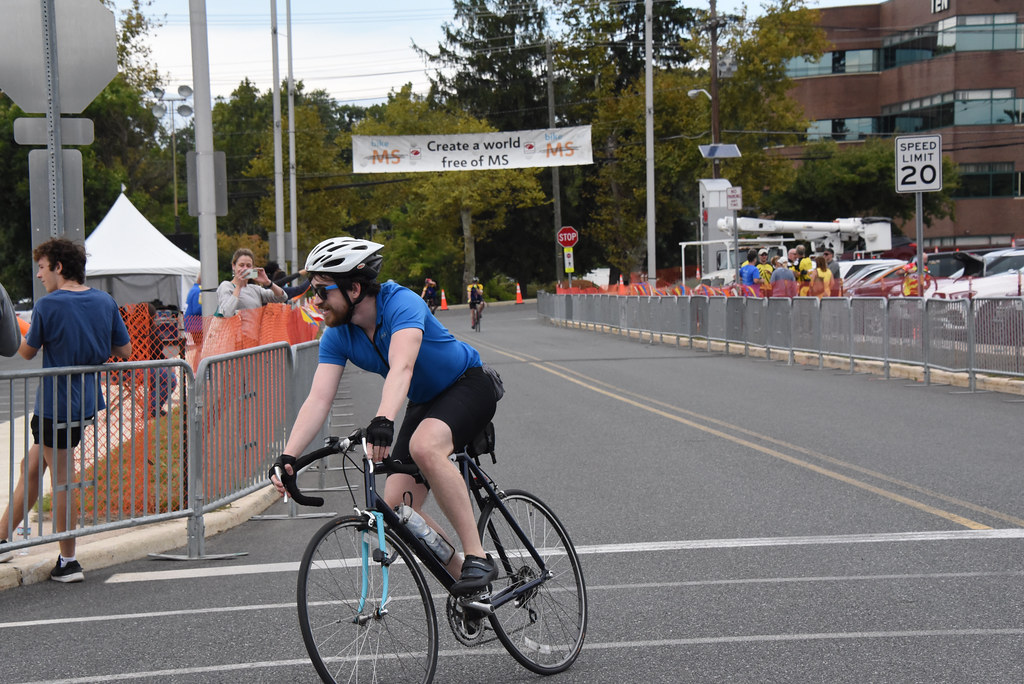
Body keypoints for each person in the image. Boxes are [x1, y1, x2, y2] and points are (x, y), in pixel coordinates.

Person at [269, 237, 503, 596]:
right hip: (425, 400)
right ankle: (467, 583)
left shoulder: (401, 303)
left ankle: (477, 555)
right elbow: (318, 398)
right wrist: (290, 455)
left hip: (468, 383)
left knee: (426, 447)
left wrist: (383, 420)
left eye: (320, 290)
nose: (314, 300)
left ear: (354, 288)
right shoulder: (337, 334)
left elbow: (403, 366)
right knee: (394, 509)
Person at [0, 239, 132, 577]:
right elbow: (124, 350)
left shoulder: (49, 305)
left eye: (42, 267)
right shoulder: (105, 301)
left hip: (54, 405)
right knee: (30, 467)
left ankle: (69, 560)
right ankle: (2, 538)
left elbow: (25, 353)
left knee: (61, 480)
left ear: (59, 266)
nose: (39, 274)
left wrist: (17, 322)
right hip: (84, 401)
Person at [215, 248, 288, 317]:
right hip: (234, 329)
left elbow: (282, 297)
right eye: (241, 265)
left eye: (248, 266)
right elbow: (227, 313)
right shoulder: (226, 286)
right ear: (234, 266)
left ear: (252, 268)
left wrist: (268, 282)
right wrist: (238, 287)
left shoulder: (255, 289)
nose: (245, 269)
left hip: (254, 329)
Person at [184, 272, 203, 342]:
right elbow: (197, 310)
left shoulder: (193, 289)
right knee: (199, 348)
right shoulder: (198, 291)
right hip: (196, 327)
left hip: (191, 326)